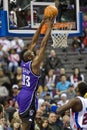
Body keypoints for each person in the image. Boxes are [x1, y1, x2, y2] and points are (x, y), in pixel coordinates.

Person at [17, 16, 55, 130]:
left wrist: (42, 23)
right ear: (29, 56)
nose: (32, 50)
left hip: (22, 93)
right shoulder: (34, 64)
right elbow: (43, 45)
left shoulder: (24, 62)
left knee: (28, 123)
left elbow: (34, 41)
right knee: (26, 125)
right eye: (31, 52)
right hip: (29, 96)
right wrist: (49, 27)